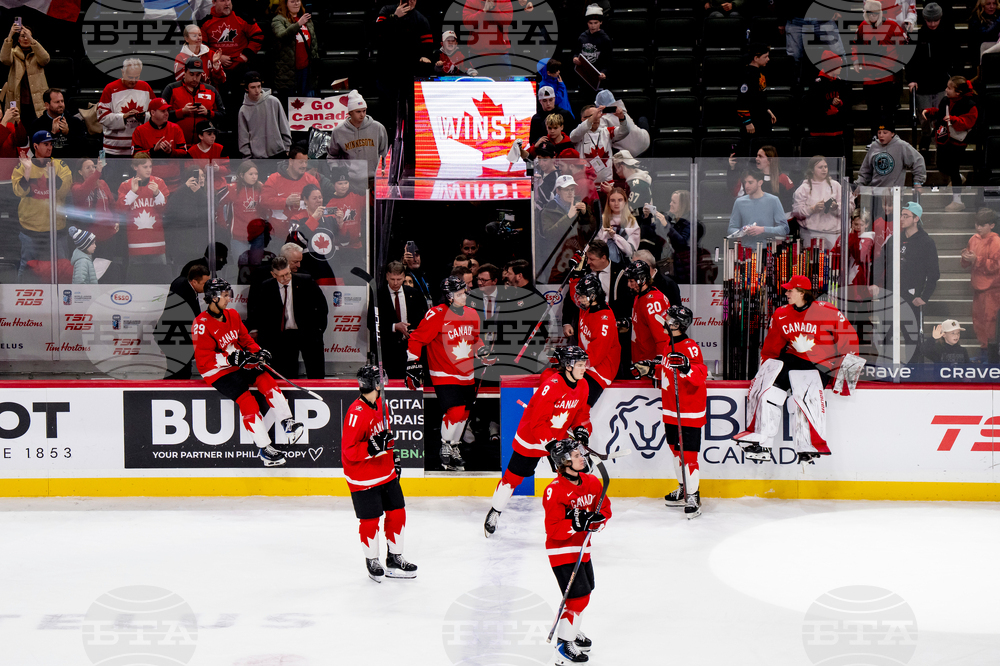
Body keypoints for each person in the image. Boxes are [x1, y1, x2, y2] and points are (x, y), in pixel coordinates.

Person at [734, 275, 860, 464]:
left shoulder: (827, 310)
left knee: (803, 396)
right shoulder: (781, 313)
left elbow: (849, 340)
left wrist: (845, 380)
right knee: (768, 390)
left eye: (790, 290)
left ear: (802, 293)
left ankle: (808, 445)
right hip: (792, 359)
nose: (786, 293)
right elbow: (771, 347)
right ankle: (761, 443)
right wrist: (765, 371)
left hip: (821, 362)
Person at [192, 277, 304, 467]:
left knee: (264, 377)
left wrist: (258, 351)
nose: (228, 299)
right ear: (213, 297)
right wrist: (230, 359)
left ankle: (288, 423)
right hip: (215, 372)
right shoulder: (201, 324)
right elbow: (204, 359)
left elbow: (245, 339)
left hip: (237, 362)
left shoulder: (232, 314)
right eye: (225, 295)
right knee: (247, 401)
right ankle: (265, 448)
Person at [484, 346, 592, 537]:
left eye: (585, 364)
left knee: (572, 477)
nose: (584, 368)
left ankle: (569, 518)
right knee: (512, 480)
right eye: (580, 365)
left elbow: (581, 413)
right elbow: (537, 422)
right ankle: (495, 511)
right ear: (568, 366)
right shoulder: (552, 386)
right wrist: (551, 444)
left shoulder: (583, 385)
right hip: (532, 439)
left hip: (559, 439)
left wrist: (581, 429)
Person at [342, 365, 417, 582]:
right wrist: (371, 447)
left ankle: (394, 558)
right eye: (381, 380)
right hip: (363, 477)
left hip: (385, 471)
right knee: (370, 519)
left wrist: (393, 458)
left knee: (397, 512)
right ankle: (372, 560)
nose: (384, 383)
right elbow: (348, 451)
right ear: (375, 384)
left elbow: (386, 438)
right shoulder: (356, 413)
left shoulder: (382, 405)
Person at [405, 276, 489, 471]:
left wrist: (482, 350)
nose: (464, 296)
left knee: (465, 412)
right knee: (456, 410)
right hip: (443, 372)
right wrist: (412, 363)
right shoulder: (436, 314)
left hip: (466, 372)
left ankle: (454, 447)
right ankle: (445, 446)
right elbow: (416, 338)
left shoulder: (472, 314)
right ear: (449, 297)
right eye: (459, 294)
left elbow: (475, 338)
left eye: (464, 292)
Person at [542, 438, 611, 665]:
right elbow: (553, 529)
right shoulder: (554, 490)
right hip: (561, 550)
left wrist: (598, 522)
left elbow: (605, 510)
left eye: (581, 454)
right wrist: (576, 523)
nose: (583, 457)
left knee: (584, 593)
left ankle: (571, 628)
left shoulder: (592, 482)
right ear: (564, 462)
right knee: (578, 597)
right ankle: (564, 645)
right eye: (577, 455)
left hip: (583, 548)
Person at [633, 305, 705, 517]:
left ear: (676, 324)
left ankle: (693, 495)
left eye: (667, 318)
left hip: (688, 411)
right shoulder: (668, 344)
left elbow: (700, 374)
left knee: (688, 455)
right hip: (671, 410)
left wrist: (687, 367)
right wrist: (650, 370)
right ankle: (684, 488)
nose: (663, 321)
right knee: (676, 452)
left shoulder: (690, 347)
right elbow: (667, 372)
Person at [871, 201, 939, 364]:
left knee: (912, 339)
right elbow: (880, 262)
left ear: (916, 219)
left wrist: (924, 296)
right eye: (901, 215)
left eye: (906, 216)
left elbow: (934, 273)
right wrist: (874, 282)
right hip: (890, 294)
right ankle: (886, 370)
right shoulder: (894, 239)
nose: (901, 219)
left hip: (911, 298)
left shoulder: (926, 242)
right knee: (886, 336)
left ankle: (914, 372)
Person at [246, 255, 328, 379]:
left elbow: (322, 306)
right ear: (273, 274)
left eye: (287, 274)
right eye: (281, 276)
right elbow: (259, 313)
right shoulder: (266, 287)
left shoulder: (306, 281)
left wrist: (319, 330)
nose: (285, 278)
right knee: (288, 374)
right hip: (283, 337)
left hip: (308, 334)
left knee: (316, 372)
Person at [12, 130, 72, 282]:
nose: (50, 147)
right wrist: (27, 171)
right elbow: (19, 192)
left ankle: (62, 295)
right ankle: (23, 292)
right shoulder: (22, 166)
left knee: (62, 268)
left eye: (51, 144)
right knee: (26, 266)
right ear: (35, 146)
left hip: (56, 230)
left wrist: (52, 175)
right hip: (30, 230)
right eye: (46, 144)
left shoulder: (60, 165)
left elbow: (65, 190)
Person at [905, 4, 958, 153]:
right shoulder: (917, 36)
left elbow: (955, 57)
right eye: (929, 21)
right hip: (923, 82)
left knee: (941, 114)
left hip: (942, 81)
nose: (932, 24)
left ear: (940, 19)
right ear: (925, 20)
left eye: (935, 20)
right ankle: (926, 135)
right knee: (924, 116)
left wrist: (953, 77)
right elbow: (910, 60)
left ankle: (940, 139)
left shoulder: (947, 34)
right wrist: (911, 79)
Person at [851, 1, 907, 137]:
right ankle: (875, 138)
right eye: (869, 14)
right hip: (870, 78)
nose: (872, 17)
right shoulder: (863, 26)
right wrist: (856, 60)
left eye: (875, 14)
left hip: (888, 77)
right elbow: (855, 44)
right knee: (873, 112)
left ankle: (890, 137)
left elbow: (903, 45)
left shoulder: (892, 26)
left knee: (889, 112)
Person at [925, 76, 978, 213]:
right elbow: (941, 113)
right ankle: (959, 178)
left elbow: (969, 122)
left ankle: (957, 201)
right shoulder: (945, 100)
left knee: (953, 169)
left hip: (957, 143)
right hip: (943, 138)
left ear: (958, 92)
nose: (946, 90)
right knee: (941, 165)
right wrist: (930, 112)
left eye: (949, 88)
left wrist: (954, 119)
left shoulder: (970, 105)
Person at [369, 261, 428, 379]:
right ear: (387, 276)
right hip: (388, 351)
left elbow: (424, 319)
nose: (395, 283)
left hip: (411, 348)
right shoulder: (378, 295)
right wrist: (394, 326)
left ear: (404, 276)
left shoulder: (415, 294)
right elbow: (371, 322)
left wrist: (414, 331)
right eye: (392, 279)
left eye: (399, 279)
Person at [568, 273, 621, 405]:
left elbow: (597, 354)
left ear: (592, 296)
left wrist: (575, 364)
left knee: (580, 403)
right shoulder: (587, 306)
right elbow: (574, 296)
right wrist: (575, 277)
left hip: (600, 370)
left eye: (582, 296)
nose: (579, 299)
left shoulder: (604, 319)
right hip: (586, 365)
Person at [117, 152, 170, 283]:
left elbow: (164, 209)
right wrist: (132, 192)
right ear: (135, 167)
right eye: (145, 167)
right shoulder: (126, 185)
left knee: (160, 282)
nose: (149, 170)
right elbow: (121, 209)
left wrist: (157, 193)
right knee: (137, 282)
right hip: (136, 244)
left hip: (157, 243)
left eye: (150, 166)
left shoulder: (159, 183)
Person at [202, 0, 264, 107]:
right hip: (217, 71)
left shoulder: (242, 18)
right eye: (223, 0)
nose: (227, 3)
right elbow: (201, 46)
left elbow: (258, 36)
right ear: (214, 2)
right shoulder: (205, 22)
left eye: (228, 0)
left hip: (240, 68)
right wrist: (217, 57)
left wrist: (246, 56)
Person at [158, 264, 211, 379]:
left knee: (180, 372)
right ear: (194, 282)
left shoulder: (189, 287)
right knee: (179, 373)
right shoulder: (182, 286)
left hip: (178, 337)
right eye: (204, 283)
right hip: (174, 337)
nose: (207, 287)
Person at [327, 90, 388, 186]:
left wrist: (384, 170)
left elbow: (384, 154)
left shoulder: (378, 128)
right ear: (350, 113)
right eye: (358, 111)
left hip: (374, 180)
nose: (362, 114)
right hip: (349, 182)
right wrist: (338, 173)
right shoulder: (338, 131)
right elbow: (332, 156)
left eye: (364, 111)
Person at [961, 209, 1000, 359]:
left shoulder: (996, 241)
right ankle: (983, 352)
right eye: (977, 224)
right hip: (978, 288)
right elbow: (966, 263)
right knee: (978, 322)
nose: (978, 228)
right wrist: (965, 257)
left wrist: (977, 260)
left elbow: (996, 265)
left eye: (982, 225)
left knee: (990, 322)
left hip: (993, 290)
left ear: (992, 225)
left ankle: (991, 355)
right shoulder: (973, 239)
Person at [162, 57, 226, 147]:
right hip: (177, 145)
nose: (195, 79)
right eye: (191, 74)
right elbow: (160, 115)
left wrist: (207, 113)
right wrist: (182, 112)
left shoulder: (211, 90)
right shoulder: (171, 89)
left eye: (198, 75)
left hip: (203, 146)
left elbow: (222, 115)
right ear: (184, 72)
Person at [261, 145, 320, 240]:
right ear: (291, 161)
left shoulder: (312, 181)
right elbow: (264, 201)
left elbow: (319, 205)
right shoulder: (274, 179)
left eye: (305, 162)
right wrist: (285, 201)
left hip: (304, 235)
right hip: (278, 235)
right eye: (300, 162)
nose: (304, 166)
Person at [97, 59, 154, 157]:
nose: (133, 81)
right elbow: (102, 117)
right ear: (123, 72)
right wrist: (123, 117)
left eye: (137, 77)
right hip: (114, 149)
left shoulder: (145, 87)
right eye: (130, 77)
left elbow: (155, 113)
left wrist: (144, 116)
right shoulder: (110, 88)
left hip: (139, 148)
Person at [130, 97, 188, 193]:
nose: (167, 113)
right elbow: (135, 156)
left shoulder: (176, 128)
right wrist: (152, 151)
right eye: (163, 111)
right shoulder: (140, 131)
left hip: (174, 183)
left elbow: (184, 153)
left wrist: (171, 152)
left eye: (167, 110)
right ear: (153, 113)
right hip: (149, 183)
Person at [624, 259, 672, 371]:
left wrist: (658, 362)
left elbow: (663, 335)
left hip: (650, 364)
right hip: (641, 359)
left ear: (643, 280)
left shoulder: (653, 301)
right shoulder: (640, 296)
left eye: (632, 281)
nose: (629, 285)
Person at [856, 118, 926, 191]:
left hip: (895, 192)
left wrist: (917, 182)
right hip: (876, 192)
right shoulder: (874, 146)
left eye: (885, 133)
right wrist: (859, 185)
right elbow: (865, 170)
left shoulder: (901, 145)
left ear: (892, 133)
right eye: (879, 133)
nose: (881, 135)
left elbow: (918, 161)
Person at [793, 156, 848, 247]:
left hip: (834, 233)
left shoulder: (836, 186)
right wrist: (813, 209)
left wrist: (836, 207)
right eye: (820, 167)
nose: (824, 170)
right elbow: (796, 212)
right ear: (812, 170)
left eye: (825, 167)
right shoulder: (803, 188)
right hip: (811, 233)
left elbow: (849, 208)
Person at [0, 21, 49, 121]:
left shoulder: (37, 53)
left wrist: (32, 40)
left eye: (27, 36)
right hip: (18, 99)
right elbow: (4, 59)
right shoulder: (13, 53)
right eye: (23, 36)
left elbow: (45, 59)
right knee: (16, 127)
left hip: (36, 100)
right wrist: (10, 35)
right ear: (18, 39)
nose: (25, 38)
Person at [238, 71, 292, 160]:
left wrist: (286, 148)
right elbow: (243, 136)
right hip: (257, 157)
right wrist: (247, 157)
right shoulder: (244, 110)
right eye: (253, 87)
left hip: (279, 153)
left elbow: (284, 125)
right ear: (246, 89)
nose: (257, 90)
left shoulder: (273, 101)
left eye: (259, 86)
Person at [805, 50, 850, 155]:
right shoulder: (817, 84)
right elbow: (812, 106)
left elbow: (846, 100)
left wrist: (839, 103)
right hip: (820, 130)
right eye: (838, 66)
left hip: (836, 129)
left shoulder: (839, 82)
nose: (841, 68)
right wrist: (828, 107)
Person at [271, 0, 319, 98]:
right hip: (288, 70)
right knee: (290, 102)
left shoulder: (307, 20)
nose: (296, 4)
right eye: (292, 1)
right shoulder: (278, 20)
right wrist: (299, 24)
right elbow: (281, 35)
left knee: (305, 101)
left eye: (298, 1)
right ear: (286, 4)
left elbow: (313, 44)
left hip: (306, 70)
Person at [570, 104, 627, 183]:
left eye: (598, 116)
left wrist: (622, 118)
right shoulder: (579, 134)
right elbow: (573, 136)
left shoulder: (607, 132)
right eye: (592, 116)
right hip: (586, 184)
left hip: (606, 183)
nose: (596, 118)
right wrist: (592, 118)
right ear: (583, 119)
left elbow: (624, 131)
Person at [726, 168, 789, 239]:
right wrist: (742, 231)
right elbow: (731, 229)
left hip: (767, 245)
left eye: (750, 182)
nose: (746, 186)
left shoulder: (773, 200)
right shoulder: (739, 202)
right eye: (745, 182)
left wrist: (763, 229)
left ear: (760, 183)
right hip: (747, 245)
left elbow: (784, 229)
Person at [737, 43, 775, 155]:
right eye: (765, 57)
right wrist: (747, 122)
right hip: (753, 121)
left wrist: (767, 110)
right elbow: (742, 100)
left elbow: (760, 96)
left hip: (761, 118)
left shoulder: (760, 72)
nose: (768, 59)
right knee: (753, 150)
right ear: (756, 58)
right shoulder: (747, 74)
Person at [648, 190, 694, 281]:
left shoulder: (691, 222)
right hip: (662, 264)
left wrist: (666, 225)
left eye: (674, 202)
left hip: (680, 269)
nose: (670, 204)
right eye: (671, 201)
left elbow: (681, 243)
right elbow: (650, 232)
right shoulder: (667, 216)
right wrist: (646, 217)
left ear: (683, 205)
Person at [327, 169, 366, 268]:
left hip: (357, 246)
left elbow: (370, 202)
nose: (344, 186)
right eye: (340, 183)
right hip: (339, 249)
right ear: (333, 184)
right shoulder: (329, 202)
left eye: (346, 183)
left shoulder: (357, 196)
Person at [31, 88, 86, 159]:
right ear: (47, 105)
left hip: (71, 162)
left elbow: (83, 148)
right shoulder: (37, 124)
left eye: (62, 101)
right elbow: (35, 151)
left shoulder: (75, 122)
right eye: (57, 102)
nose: (61, 105)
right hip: (48, 163)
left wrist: (68, 133)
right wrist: (52, 134)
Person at [594, 90, 649, 158]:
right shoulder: (620, 107)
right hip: (644, 143)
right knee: (643, 119)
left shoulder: (601, 119)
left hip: (630, 153)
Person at [173, 24, 226, 88]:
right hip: (190, 93)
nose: (198, 38)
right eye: (194, 36)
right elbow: (181, 82)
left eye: (200, 35)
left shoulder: (211, 54)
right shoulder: (180, 57)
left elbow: (221, 80)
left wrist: (215, 65)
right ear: (186, 39)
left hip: (210, 92)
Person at [597, 187, 639, 263]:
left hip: (625, 263)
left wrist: (614, 236)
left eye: (620, 200)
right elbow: (596, 246)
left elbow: (630, 252)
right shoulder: (602, 219)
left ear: (625, 202)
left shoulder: (631, 221)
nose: (616, 204)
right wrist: (607, 235)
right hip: (603, 262)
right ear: (608, 202)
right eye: (613, 200)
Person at [573, 5, 611, 83]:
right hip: (583, 74)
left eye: (595, 23)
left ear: (601, 22)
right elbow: (576, 52)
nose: (593, 26)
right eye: (590, 23)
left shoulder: (605, 39)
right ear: (587, 23)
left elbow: (608, 60)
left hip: (597, 75)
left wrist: (604, 72)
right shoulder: (582, 36)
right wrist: (575, 58)